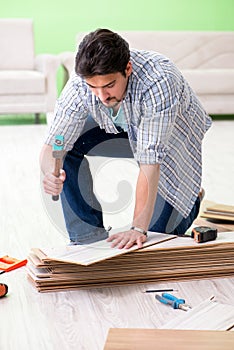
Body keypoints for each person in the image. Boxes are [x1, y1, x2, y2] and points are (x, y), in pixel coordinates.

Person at [40, 28, 212, 249]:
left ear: (127, 68)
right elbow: (55, 141)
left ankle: (192, 198)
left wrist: (138, 228)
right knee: (65, 147)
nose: (101, 96)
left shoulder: (159, 79)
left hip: (171, 135)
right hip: (116, 124)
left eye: (109, 85)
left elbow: (150, 160)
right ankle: (86, 236)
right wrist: (49, 173)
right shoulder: (80, 84)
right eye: (94, 87)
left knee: (155, 237)